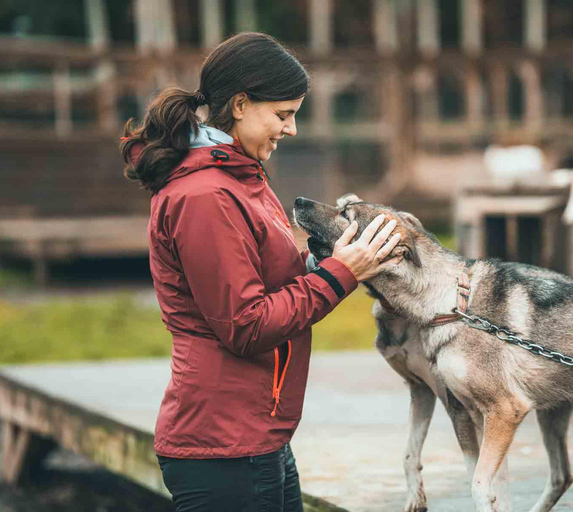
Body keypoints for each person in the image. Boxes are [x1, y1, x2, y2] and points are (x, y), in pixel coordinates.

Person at [119, 32, 400, 511]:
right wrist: (338, 275)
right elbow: (245, 325)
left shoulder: (240, 176)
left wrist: (332, 261)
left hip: (254, 434)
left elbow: (267, 283)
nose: (291, 130)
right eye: (283, 114)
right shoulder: (205, 196)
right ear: (242, 104)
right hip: (223, 445)